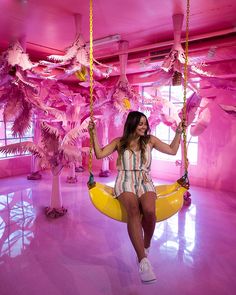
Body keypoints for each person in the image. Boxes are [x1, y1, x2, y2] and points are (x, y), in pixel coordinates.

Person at [88, 111, 183, 284]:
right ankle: (143, 262)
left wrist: (178, 132)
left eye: (145, 124)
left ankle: (146, 244)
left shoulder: (150, 140)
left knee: (148, 210)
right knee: (132, 210)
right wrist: (93, 133)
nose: (144, 127)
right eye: (140, 123)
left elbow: (172, 150)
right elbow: (100, 154)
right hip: (125, 180)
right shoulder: (120, 142)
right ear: (131, 124)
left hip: (145, 180)